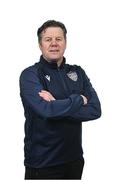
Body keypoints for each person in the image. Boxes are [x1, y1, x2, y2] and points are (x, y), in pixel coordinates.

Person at [19, 20, 101, 179]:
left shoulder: (78, 72)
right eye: (48, 39)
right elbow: (46, 111)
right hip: (43, 164)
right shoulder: (30, 75)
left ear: (65, 42)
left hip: (74, 161)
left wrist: (56, 103)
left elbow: (95, 110)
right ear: (40, 45)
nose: (54, 43)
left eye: (59, 39)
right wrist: (79, 100)